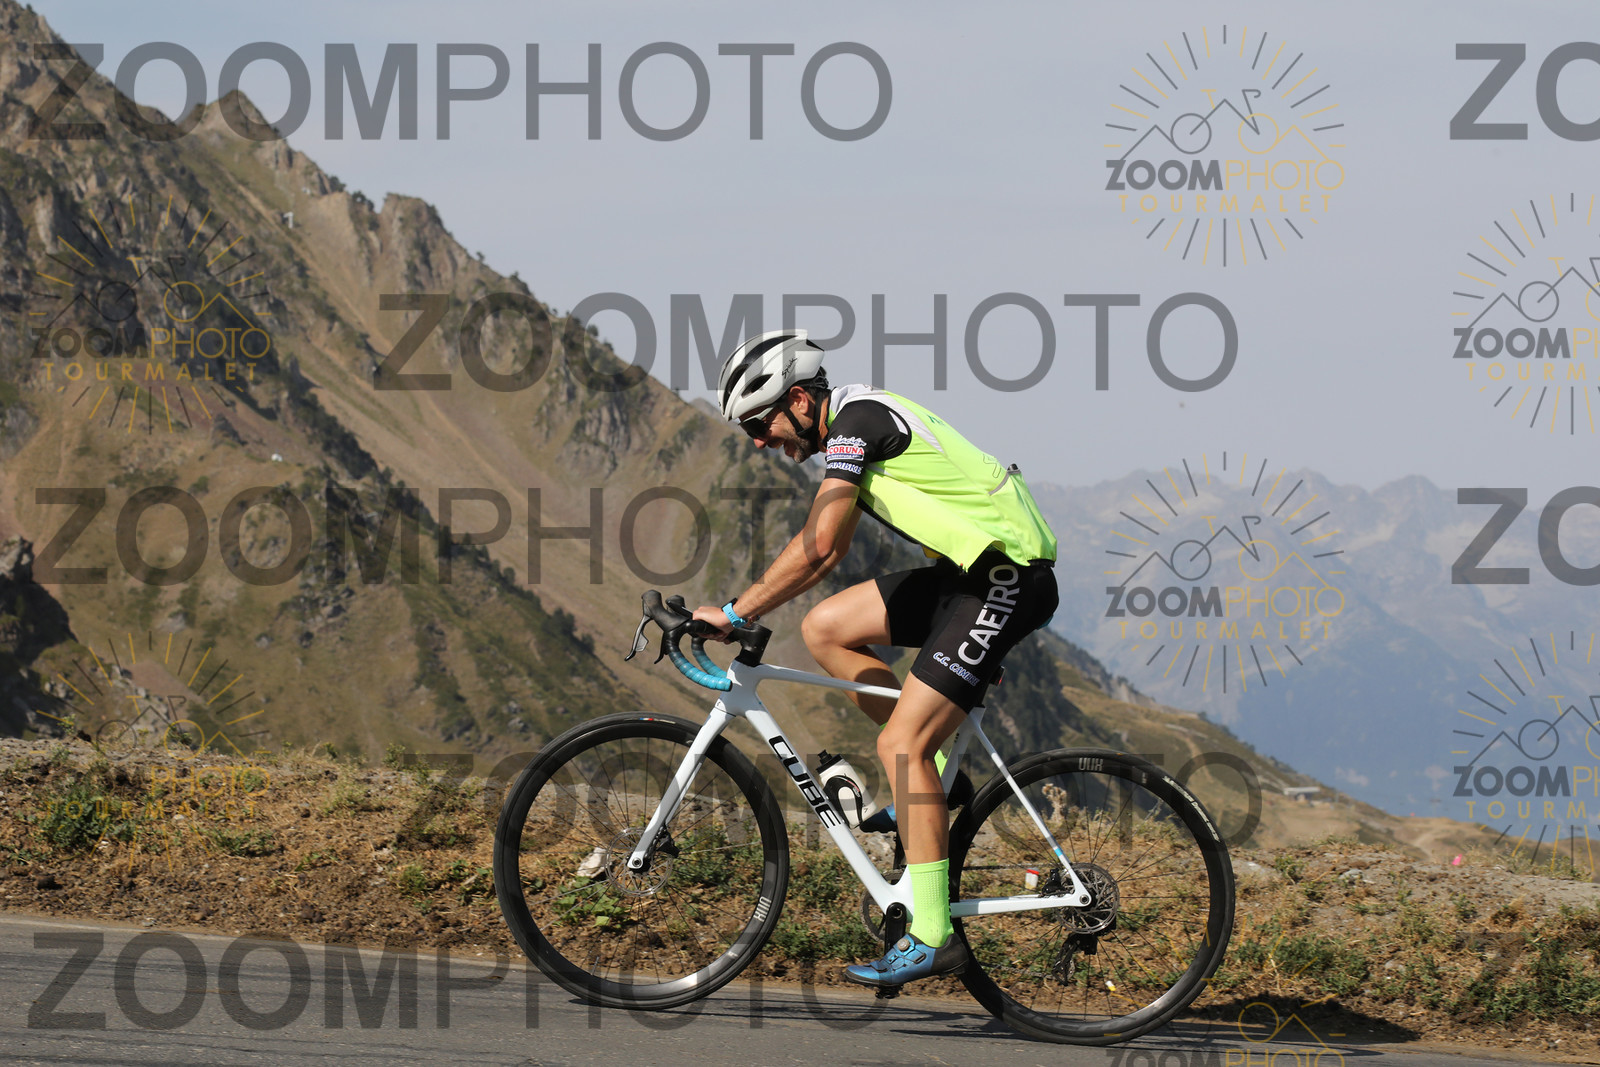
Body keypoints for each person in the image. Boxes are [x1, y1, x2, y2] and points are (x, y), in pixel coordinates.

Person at [692, 329, 1059, 988]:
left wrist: (735, 611)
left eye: (759, 424)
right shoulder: (851, 423)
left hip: (1005, 579)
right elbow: (824, 547)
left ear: (799, 400)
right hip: (969, 576)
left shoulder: (856, 425)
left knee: (899, 744)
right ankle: (935, 776)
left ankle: (933, 934)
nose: (759, 442)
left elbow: (820, 545)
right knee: (826, 628)